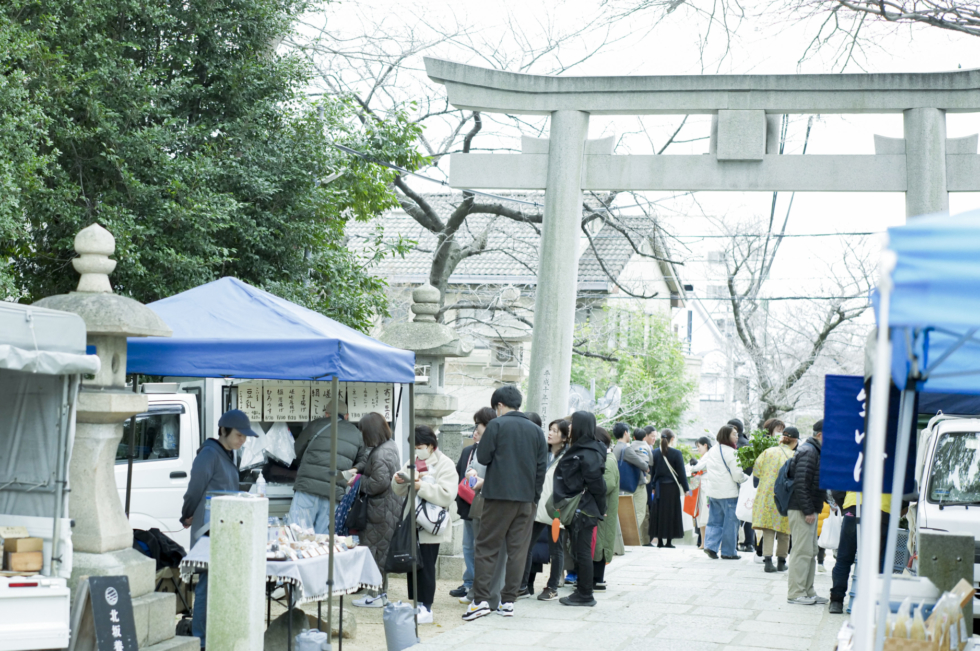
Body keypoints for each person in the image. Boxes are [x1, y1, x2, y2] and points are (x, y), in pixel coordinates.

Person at [464, 386, 548, 621]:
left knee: (487, 548)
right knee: (518, 551)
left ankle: (480, 600)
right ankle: (508, 601)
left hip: (498, 497)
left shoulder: (496, 426)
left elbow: (483, 457)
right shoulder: (536, 430)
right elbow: (542, 467)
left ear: (499, 405)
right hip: (526, 500)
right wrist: (534, 496)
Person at [181, 410, 258, 649]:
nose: (242, 440)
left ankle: (214, 634)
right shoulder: (209, 453)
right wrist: (187, 513)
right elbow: (195, 488)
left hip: (224, 527)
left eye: (245, 436)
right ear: (223, 431)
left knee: (217, 582)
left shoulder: (226, 454)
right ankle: (201, 639)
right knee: (207, 581)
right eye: (239, 435)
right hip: (208, 527)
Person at [391, 425, 458, 624]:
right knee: (413, 564)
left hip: (430, 523)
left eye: (419, 446)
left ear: (430, 446)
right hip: (412, 519)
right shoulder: (412, 461)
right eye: (414, 447)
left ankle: (426, 607)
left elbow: (447, 494)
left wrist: (421, 486)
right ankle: (418, 604)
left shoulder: (445, 464)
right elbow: (399, 490)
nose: (416, 451)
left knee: (427, 565)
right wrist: (399, 481)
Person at [552, 411, 607, 607]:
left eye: (573, 423)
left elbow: (597, 483)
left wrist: (601, 507)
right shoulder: (586, 448)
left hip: (583, 509)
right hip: (583, 507)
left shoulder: (588, 451)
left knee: (582, 552)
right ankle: (583, 592)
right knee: (579, 550)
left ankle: (585, 594)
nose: (570, 427)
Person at [291, 400, 367, 534]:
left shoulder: (315, 425)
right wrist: (351, 471)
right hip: (334, 492)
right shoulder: (357, 434)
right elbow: (363, 462)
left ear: (326, 414)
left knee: (298, 534)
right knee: (325, 542)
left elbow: (297, 449)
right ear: (347, 416)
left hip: (308, 488)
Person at [351, 413, 401, 608]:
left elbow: (377, 484)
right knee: (379, 551)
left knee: (376, 553)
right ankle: (376, 593)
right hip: (386, 508)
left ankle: (376, 595)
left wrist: (357, 480)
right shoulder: (388, 446)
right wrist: (359, 469)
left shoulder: (381, 452)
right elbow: (372, 464)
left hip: (380, 510)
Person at [450, 408, 495, 602]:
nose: (476, 428)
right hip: (470, 501)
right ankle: (470, 583)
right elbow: (466, 469)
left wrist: (481, 481)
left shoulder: (494, 446)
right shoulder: (473, 449)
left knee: (480, 546)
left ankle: (480, 587)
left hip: (486, 501)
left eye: (479, 424)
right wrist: (469, 474)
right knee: (468, 545)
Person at [522, 418, 570, 601]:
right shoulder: (542, 452)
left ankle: (552, 587)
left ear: (564, 437)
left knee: (555, 548)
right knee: (526, 544)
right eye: (550, 429)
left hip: (556, 508)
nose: (550, 433)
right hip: (537, 505)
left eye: (555, 431)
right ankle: (523, 585)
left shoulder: (567, 456)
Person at [829, 489, 893, 614]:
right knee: (877, 561)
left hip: (853, 509)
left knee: (844, 558)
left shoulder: (852, 467)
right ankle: (873, 602)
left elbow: (837, 486)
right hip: (882, 510)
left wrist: (846, 506)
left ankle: (836, 601)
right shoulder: (892, 468)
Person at [690, 425, 748, 560]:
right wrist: (746, 479)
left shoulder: (713, 450)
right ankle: (728, 552)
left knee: (714, 521)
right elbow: (737, 475)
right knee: (731, 523)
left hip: (714, 492)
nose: (737, 436)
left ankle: (710, 546)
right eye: (734, 434)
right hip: (729, 493)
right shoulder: (732, 452)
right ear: (726, 436)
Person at [786, 420, 828, 606]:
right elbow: (801, 484)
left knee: (810, 551)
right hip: (802, 508)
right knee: (802, 551)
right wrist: (808, 510)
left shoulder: (812, 451)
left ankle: (808, 591)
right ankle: (796, 593)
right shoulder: (809, 451)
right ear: (819, 435)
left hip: (807, 508)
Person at [752, 426, 799, 573]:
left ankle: (767, 561)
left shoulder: (768, 452)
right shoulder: (794, 456)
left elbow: (756, 470)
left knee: (768, 529)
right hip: (785, 496)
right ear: (795, 440)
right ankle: (781, 561)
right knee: (785, 531)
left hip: (766, 495)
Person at [648, 429, 690, 548]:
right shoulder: (676, 453)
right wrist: (686, 489)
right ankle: (669, 542)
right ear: (672, 439)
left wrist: (652, 486)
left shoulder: (655, 452)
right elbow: (681, 473)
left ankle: (659, 541)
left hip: (659, 488)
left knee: (659, 514)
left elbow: (653, 472)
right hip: (672, 488)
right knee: (671, 513)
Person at [592, 427, 619, 592]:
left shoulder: (608, 460)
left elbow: (607, 485)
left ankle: (598, 579)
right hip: (600, 509)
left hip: (604, 510)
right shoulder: (605, 458)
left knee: (600, 544)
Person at [612, 422, 648, 546]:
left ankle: (627, 539)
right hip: (636, 484)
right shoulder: (626, 448)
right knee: (639, 512)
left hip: (623, 484)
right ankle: (631, 539)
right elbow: (643, 464)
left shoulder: (615, 448)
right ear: (625, 432)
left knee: (628, 512)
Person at [689, 436, 713, 549]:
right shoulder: (704, 457)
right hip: (701, 486)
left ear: (705, 445)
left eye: (698, 446)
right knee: (701, 516)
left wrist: (693, 465)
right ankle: (703, 542)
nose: (697, 449)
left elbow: (695, 468)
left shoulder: (710, 455)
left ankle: (707, 543)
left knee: (706, 515)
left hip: (706, 487)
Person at [632, 428, 654, 545]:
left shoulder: (630, 446)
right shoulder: (647, 447)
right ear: (645, 437)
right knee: (641, 511)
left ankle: (640, 539)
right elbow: (651, 460)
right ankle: (637, 537)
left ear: (633, 437)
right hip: (643, 477)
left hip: (634, 477)